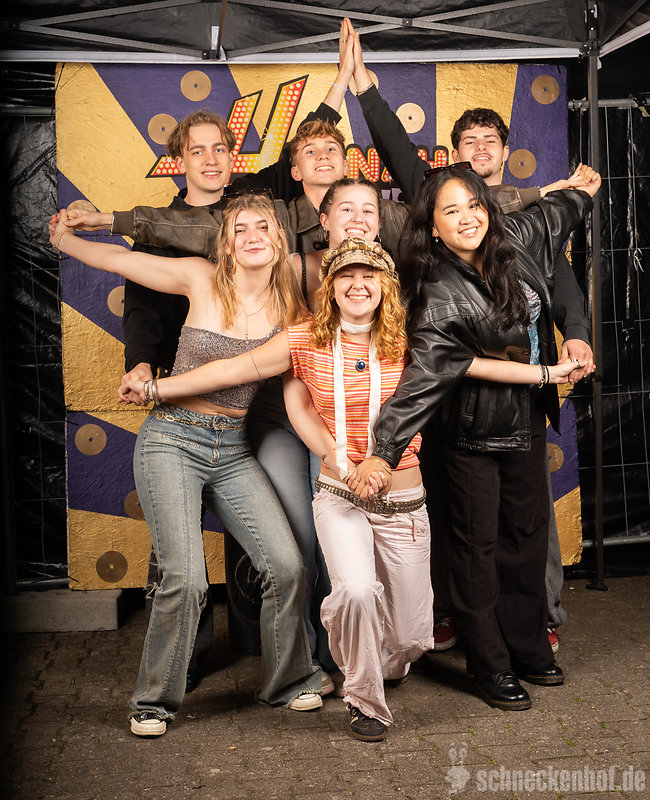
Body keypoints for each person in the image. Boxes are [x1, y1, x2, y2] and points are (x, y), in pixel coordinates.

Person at [341, 17, 592, 652]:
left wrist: (577, 333)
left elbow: (562, 276)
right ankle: (464, 618)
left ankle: (537, 622)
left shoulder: (527, 223)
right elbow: (398, 152)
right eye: (468, 141)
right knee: (465, 520)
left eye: (490, 140)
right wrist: (365, 88)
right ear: (452, 161)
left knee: (528, 523)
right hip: (459, 403)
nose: (480, 149)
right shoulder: (439, 209)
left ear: (504, 153)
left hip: (525, 397)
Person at [49, 194, 323, 737]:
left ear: (279, 240)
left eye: (263, 227)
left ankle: (290, 680)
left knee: (288, 566)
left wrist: (335, 449)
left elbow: (263, 381)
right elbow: (122, 261)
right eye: (239, 229)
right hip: (172, 439)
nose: (252, 236)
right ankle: (153, 701)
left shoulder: (293, 312)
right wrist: (66, 240)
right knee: (187, 579)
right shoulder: (200, 278)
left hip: (233, 447)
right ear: (226, 243)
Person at [349, 164, 599, 711]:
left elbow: (556, 215)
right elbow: (420, 382)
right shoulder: (437, 292)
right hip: (468, 434)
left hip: (525, 420)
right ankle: (490, 664)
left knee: (527, 539)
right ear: (433, 227)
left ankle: (529, 647)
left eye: (474, 205)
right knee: (475, 550)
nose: (467, 218)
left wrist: (583, 191)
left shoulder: (515, 238)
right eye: (451, 210)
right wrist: (383, 452)